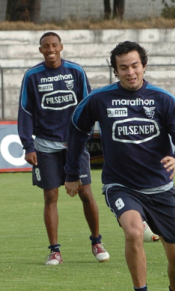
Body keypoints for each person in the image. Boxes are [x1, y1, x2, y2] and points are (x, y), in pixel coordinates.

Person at [64, 41, 175, 291]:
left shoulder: (164, 100)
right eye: (123, 67)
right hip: (120, 185)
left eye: (135, 66)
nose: (130, 72)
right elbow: (77, 129)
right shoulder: (99, 99)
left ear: (144, 66)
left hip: (161, 188)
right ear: (116, 71)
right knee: (134, 231)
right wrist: (72, 173)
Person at [17, 32, 109, 266]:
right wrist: (28, 144)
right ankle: (55, 251)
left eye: (54, 45)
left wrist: (86, 136)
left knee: (86, 194)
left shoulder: (76, 72)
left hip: (75, 145)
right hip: (45, 145)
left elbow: (88, 106)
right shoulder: (32, 76)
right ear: (40, 50)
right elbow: (25, 112)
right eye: (45, 46)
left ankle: (97, 242)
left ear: (61, 47)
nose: (50, 49)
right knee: (50, 196)